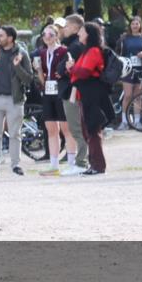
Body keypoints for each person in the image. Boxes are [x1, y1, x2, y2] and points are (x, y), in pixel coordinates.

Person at [0, 25, 34, 176]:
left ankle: (16, 165)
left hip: (15, 99)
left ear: (10, 38)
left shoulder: (22, 53)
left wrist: (17, 66)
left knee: (15, 134)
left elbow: (29, 79)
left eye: (1, 36)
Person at [67, 22, 115, 175]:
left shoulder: (93, 51)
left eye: (81, 31)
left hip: (93, 94)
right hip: (86, 94)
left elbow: (83, 72)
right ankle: (94, 163)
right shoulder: (86, 50)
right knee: (88, 130)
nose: (78, 33)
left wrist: (71, 68)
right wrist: (73, 68)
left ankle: (98, 166)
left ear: (88, 34)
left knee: (93, 130)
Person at [36, 24, 76, 176]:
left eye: (51, 34)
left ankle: (72, 163)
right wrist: (39, 70)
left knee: (67, 129)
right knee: (51, 129)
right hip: (48, 92)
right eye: (44, 34)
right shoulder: (42, 53)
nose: (47, 37)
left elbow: (69, 71)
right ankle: (54, 165)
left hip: (61, 92)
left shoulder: (65, 51)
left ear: (57, 36)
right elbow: (42, 79)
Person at [55, 15, 90, 176]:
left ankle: (82, 162)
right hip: (71, 91)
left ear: (76, 28)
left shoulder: (75, 47)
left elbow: (63, 70)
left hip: (72, 92)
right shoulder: (73, 45)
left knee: (76, 129)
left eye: (67, 26)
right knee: (77, 128)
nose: (64, 29)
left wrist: (62, 70)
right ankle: (83, 160)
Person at [115, 16, 142, 130]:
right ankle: (125, 122)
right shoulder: (124, 38)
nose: (135, 26)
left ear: (140, 25)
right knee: (127, 95)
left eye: (137, 24)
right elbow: (117, 55)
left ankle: (137, 122)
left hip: (140, 70)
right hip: (127, 71)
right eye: (133, 24)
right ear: (130, 26)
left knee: (137, 96)